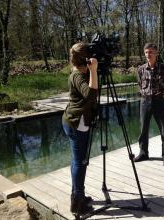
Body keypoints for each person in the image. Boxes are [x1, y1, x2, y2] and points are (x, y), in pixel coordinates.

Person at [62, 42, 98, 215]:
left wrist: (91, 71)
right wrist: (94, 71)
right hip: (77, 123)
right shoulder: (78, 75)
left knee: (78, 160)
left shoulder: (79, 73)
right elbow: (91, 95)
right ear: (85, 60)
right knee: (79, 161)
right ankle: (77, 203)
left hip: (74, 121)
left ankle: (79, 194)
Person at [134, 42, 164, 167]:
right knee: (143, 129)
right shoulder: (140, 69)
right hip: (145, 101)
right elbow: (140, 85)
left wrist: (159, 95)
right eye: (146, 52)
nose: (148, 54)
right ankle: (143, 153)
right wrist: (146, 96)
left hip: (159, 101)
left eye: (150, 52)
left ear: (156, 53)